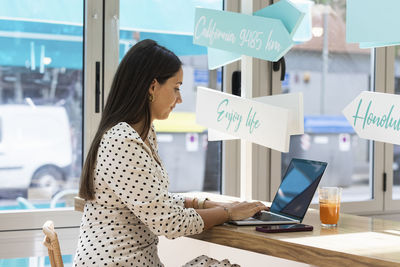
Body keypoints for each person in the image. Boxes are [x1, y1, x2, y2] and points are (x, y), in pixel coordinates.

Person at [74, 39, 268, 267]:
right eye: (176, 87)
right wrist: (228, 212)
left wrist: (205, 203)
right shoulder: (122, 140)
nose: (180, 98)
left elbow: (154, 201)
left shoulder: (141, 134)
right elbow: (169, 221)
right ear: (152, 86)